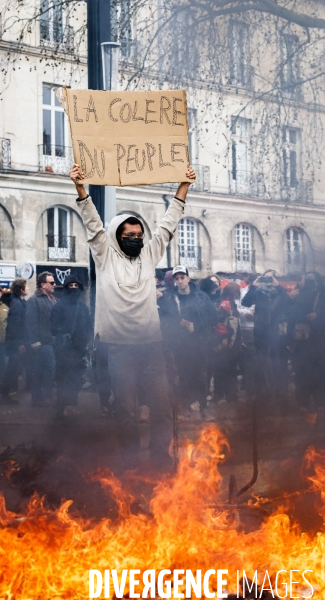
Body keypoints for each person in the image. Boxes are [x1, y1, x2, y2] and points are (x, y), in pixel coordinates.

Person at [69, 162, 196, 469]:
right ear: (117, 235)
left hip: (152, 346)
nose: (136, 238)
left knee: (162, 409)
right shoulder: (105, 256)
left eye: (139, 234)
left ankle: (160, 462)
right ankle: (130, 466)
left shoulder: (149, 255)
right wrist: (80, 186)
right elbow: (92, 223)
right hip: (119, 349)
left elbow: (167, 225)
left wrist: (184, 186)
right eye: (130, 234)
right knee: (125, 411)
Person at [171, 265, 216, 416]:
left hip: (199, 341)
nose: (180, 281)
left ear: (188, 278)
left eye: (182, 277)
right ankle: (185, 405)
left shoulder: (201, 296)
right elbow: (165, 318)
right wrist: (178, 323)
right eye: (177, 278)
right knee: (183, 374)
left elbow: (213, 318)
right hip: (180, 343)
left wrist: (196, 326)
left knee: (201, 373)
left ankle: (201, 405)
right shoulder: (172, 297)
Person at [241, 271, 290, 409]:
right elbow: (245, 303)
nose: (268, 279)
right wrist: (254, 286)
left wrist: (278, 286)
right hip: (260, 331)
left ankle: (280, 395)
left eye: (271, 276)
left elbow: (287, 302)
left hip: (277, 331)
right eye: (266, 277)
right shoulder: (259, 292)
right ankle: (261, 394)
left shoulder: (279, 293)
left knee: (278, 363)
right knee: (260, 361)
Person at [288, 271, 325, 411]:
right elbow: (290, 316)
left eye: (308, 279)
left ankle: (320, 400)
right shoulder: (297, 295)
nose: (304, 282)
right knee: (302, 372)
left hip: (319, 339)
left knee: (319, 371)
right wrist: (290, 300)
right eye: (303, 279)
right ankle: (303, 401)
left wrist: (318, 316)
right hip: (301, 341)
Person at [51, 274, 92, 416]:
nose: (73, 288)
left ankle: (72, 403)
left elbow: (88, 326)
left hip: (79, 349)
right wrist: (63, 334)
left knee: (76, 378)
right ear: (66, 287)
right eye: (70, 285)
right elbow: (53, 327)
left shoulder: (83, 307)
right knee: (63, 379)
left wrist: (87, 342)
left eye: (76, 286)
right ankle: (61, 408)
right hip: (64, 349)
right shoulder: (59, 306)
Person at [25, 271, 57, 407]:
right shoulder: (34, 300)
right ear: (43, 285)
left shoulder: (53, 299)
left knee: (42, 369)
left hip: (51, 340)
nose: (54, 285)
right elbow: (31, 322)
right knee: (47, 367)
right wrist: (35, 341)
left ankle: (39, 397)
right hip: (42, 341)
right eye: (52, 282)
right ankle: (42, 395)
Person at [0, 278, 29, 405]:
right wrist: (20, 343)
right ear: (21, 290)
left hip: (15, 341)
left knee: (13, 368)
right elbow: (15, 325)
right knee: (11, 369)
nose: (28, 288)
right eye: (26, 287)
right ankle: (4, 395)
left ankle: (5, 394)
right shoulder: (17, 304)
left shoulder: (20, 302)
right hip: (15, 342)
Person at [213, 282, 242, 404]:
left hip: (234, 343)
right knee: (222, 369)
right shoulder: (226, 304)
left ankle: (231, 395)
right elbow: (219, 322)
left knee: (231, 369)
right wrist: (223, 338)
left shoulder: (232, 304)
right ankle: (219, 395)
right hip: (227, 344)